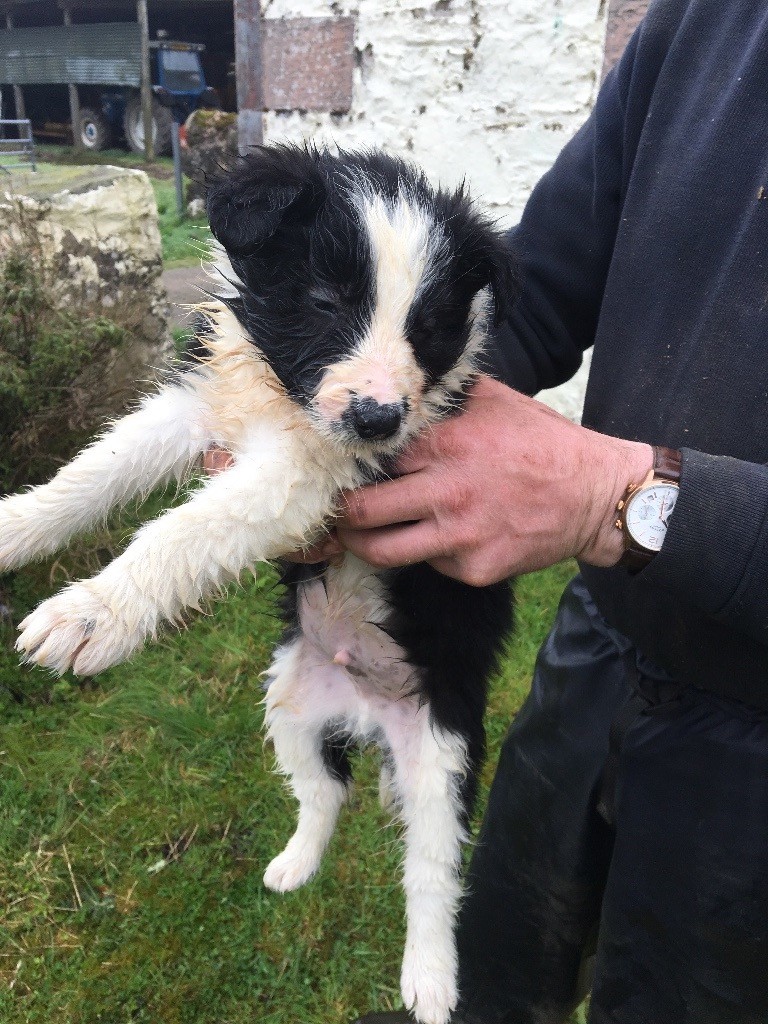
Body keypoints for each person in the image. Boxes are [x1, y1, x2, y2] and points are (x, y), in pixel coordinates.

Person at [209, 2, 768, 1019]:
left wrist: (620, 497)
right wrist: (362, 410)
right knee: (497, 955)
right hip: (602, 645)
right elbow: (528, 291)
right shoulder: (704, 20)